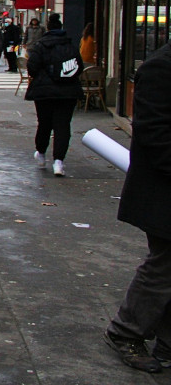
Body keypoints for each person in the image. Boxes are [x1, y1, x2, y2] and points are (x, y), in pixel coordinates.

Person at [104, 40, 171, 373]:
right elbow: (155, 135)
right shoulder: (160, 68)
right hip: (162, 192)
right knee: (163, 267)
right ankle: (126, 331)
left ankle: (166, 342)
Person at [24, 14, 83, 177]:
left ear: (48, 29)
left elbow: (32, 66)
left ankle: (41, 154)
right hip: (67, 91)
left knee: (44, 123)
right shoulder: (70, 46)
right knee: (63, 126)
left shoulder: (40, 46)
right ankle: (59, 161)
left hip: (44, 91)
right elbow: (79, 65)